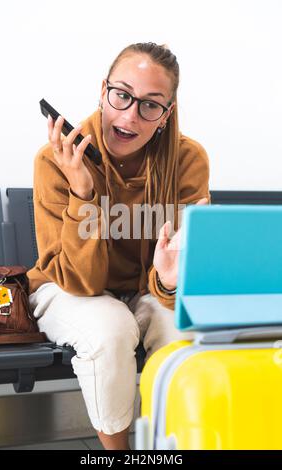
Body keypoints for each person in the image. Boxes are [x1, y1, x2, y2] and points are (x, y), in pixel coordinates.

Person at [27, 42, 210, 450]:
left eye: (151, 105)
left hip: (144, 289)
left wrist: (168, 279)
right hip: (65, 287)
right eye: (122, 94)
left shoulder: (187, 160)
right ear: (103, 90)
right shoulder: (54, 161)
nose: (129, 115)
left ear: (167, 115)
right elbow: (82, 283)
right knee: (110, 326)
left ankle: (164, 446)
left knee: (181, 327)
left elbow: (173, 279)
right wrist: (82, 192)